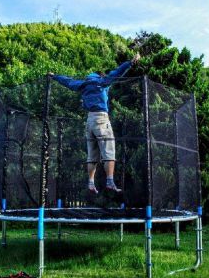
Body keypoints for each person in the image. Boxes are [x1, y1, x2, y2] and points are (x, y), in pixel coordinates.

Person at [49, 53, 140, 194]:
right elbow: (117, 72)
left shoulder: (83, 84)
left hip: (89, 121)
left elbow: (68, 81)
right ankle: (110, 181)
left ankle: (91, 183)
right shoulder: (102, 81)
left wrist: (55, 76)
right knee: (109, 150)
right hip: (101, 119)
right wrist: (130, 63)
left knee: (92, 155)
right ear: (101, 76)